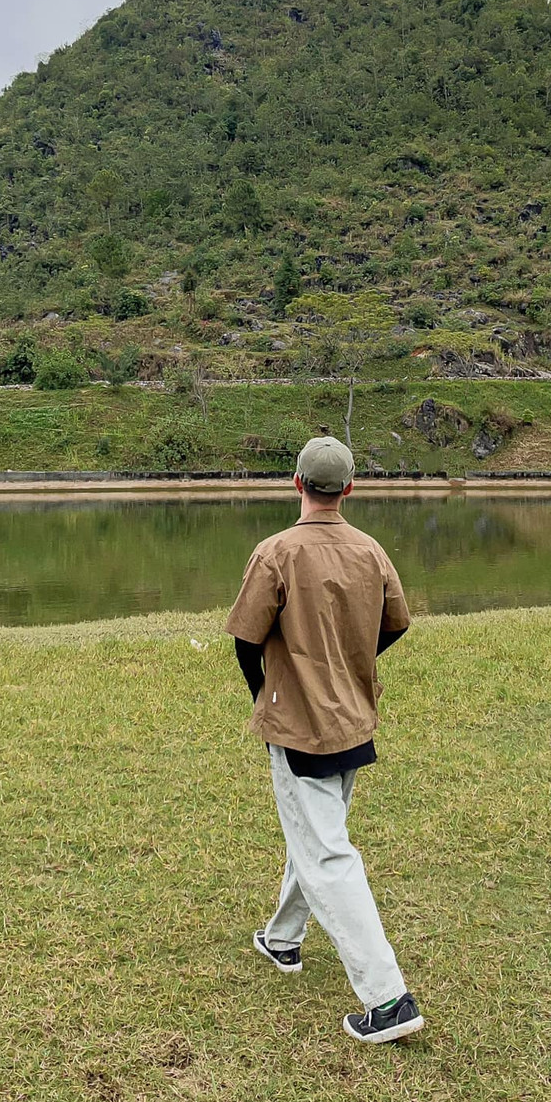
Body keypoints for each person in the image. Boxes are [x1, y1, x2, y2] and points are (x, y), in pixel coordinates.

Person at [225, 435, 424, 1044]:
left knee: (327, 853)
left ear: (296, 483)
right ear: (350, 489)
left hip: (300, 726)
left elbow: (244, 641)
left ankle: (387, 998)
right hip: (352, 719)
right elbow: (396, 624)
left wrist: (268, 693)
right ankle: (283, 939)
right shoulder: (371, 551)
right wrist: (346, 666)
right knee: (317, 833)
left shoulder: (276, 551)